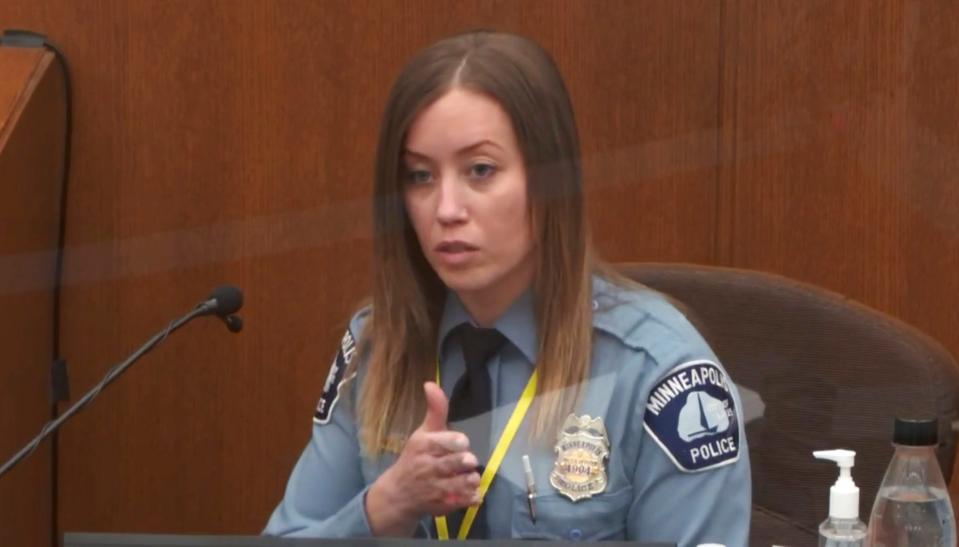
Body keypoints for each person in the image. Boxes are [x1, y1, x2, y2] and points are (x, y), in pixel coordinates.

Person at [264, 29, 750, 544]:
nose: (446, 209)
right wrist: (387, 506)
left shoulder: (659, 376)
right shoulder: (377, 347)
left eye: (480, 170)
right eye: (421, 177)